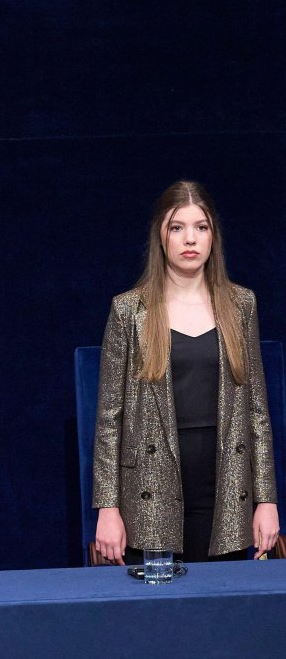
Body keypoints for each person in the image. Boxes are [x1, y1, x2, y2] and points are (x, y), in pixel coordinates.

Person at [93, 181, 279, 564]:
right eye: (177, 227)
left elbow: (257, 411)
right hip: (151, 482)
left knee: (221, 605)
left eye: (201, 226)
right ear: (160, 236)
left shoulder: (241, 305)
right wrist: (107, 507)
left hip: (225, 481)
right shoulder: (129, 310)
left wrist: (267, 500)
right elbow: (109, 419)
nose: (189, 239)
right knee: (161, 611)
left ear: (214, 236)